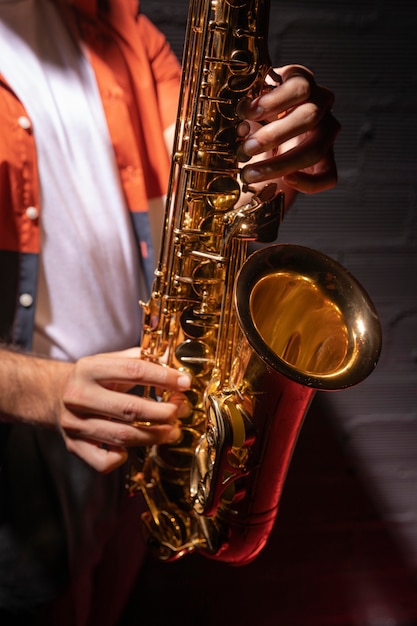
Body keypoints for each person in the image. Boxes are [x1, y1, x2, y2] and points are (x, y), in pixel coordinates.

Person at [0, 0, 340, 624]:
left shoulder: (122, 27)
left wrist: (278, 156)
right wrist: (46, 393)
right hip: (23, 461)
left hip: (147, 436)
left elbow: (208, 210)